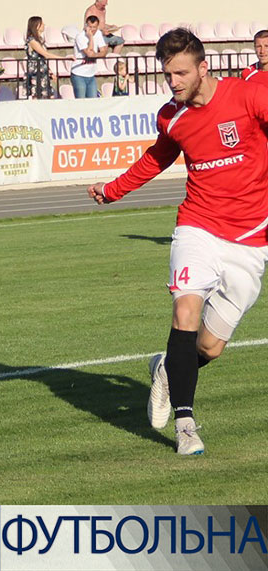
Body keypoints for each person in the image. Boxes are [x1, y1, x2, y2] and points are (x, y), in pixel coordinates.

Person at [87, 28, 268, 455]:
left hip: (249, 239)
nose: (173, 83)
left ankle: (168, 369)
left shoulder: (249, 96)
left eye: (181, 73)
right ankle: (186, 426)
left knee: (209, 347)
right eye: (168, 75)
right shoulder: (172, 116)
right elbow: (157, 157)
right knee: (185, 310)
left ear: (203, 68)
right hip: (197, 226)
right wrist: (114, 190)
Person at [71, 15, 108, 98]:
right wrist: (90, 37)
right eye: (90, 27)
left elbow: (104, 51)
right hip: (79, 74)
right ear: (86, 26)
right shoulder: (80, 36)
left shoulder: (98, 33)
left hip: (91, 74)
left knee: (93, 101)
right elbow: (89, 53)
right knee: (81, 100)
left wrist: (95, 55)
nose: (92, 29)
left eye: (94, 27)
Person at [24, 16, 61, 99]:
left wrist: (50, 72)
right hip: (36, 72)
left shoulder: (40, 39)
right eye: (42, 23)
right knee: (37, 96)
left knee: (49, 96)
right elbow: (45, 54)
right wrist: (63, 58)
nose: (44, 25)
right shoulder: (32, 41)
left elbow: (42, 59)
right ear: (37, 26)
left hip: (42, 71)